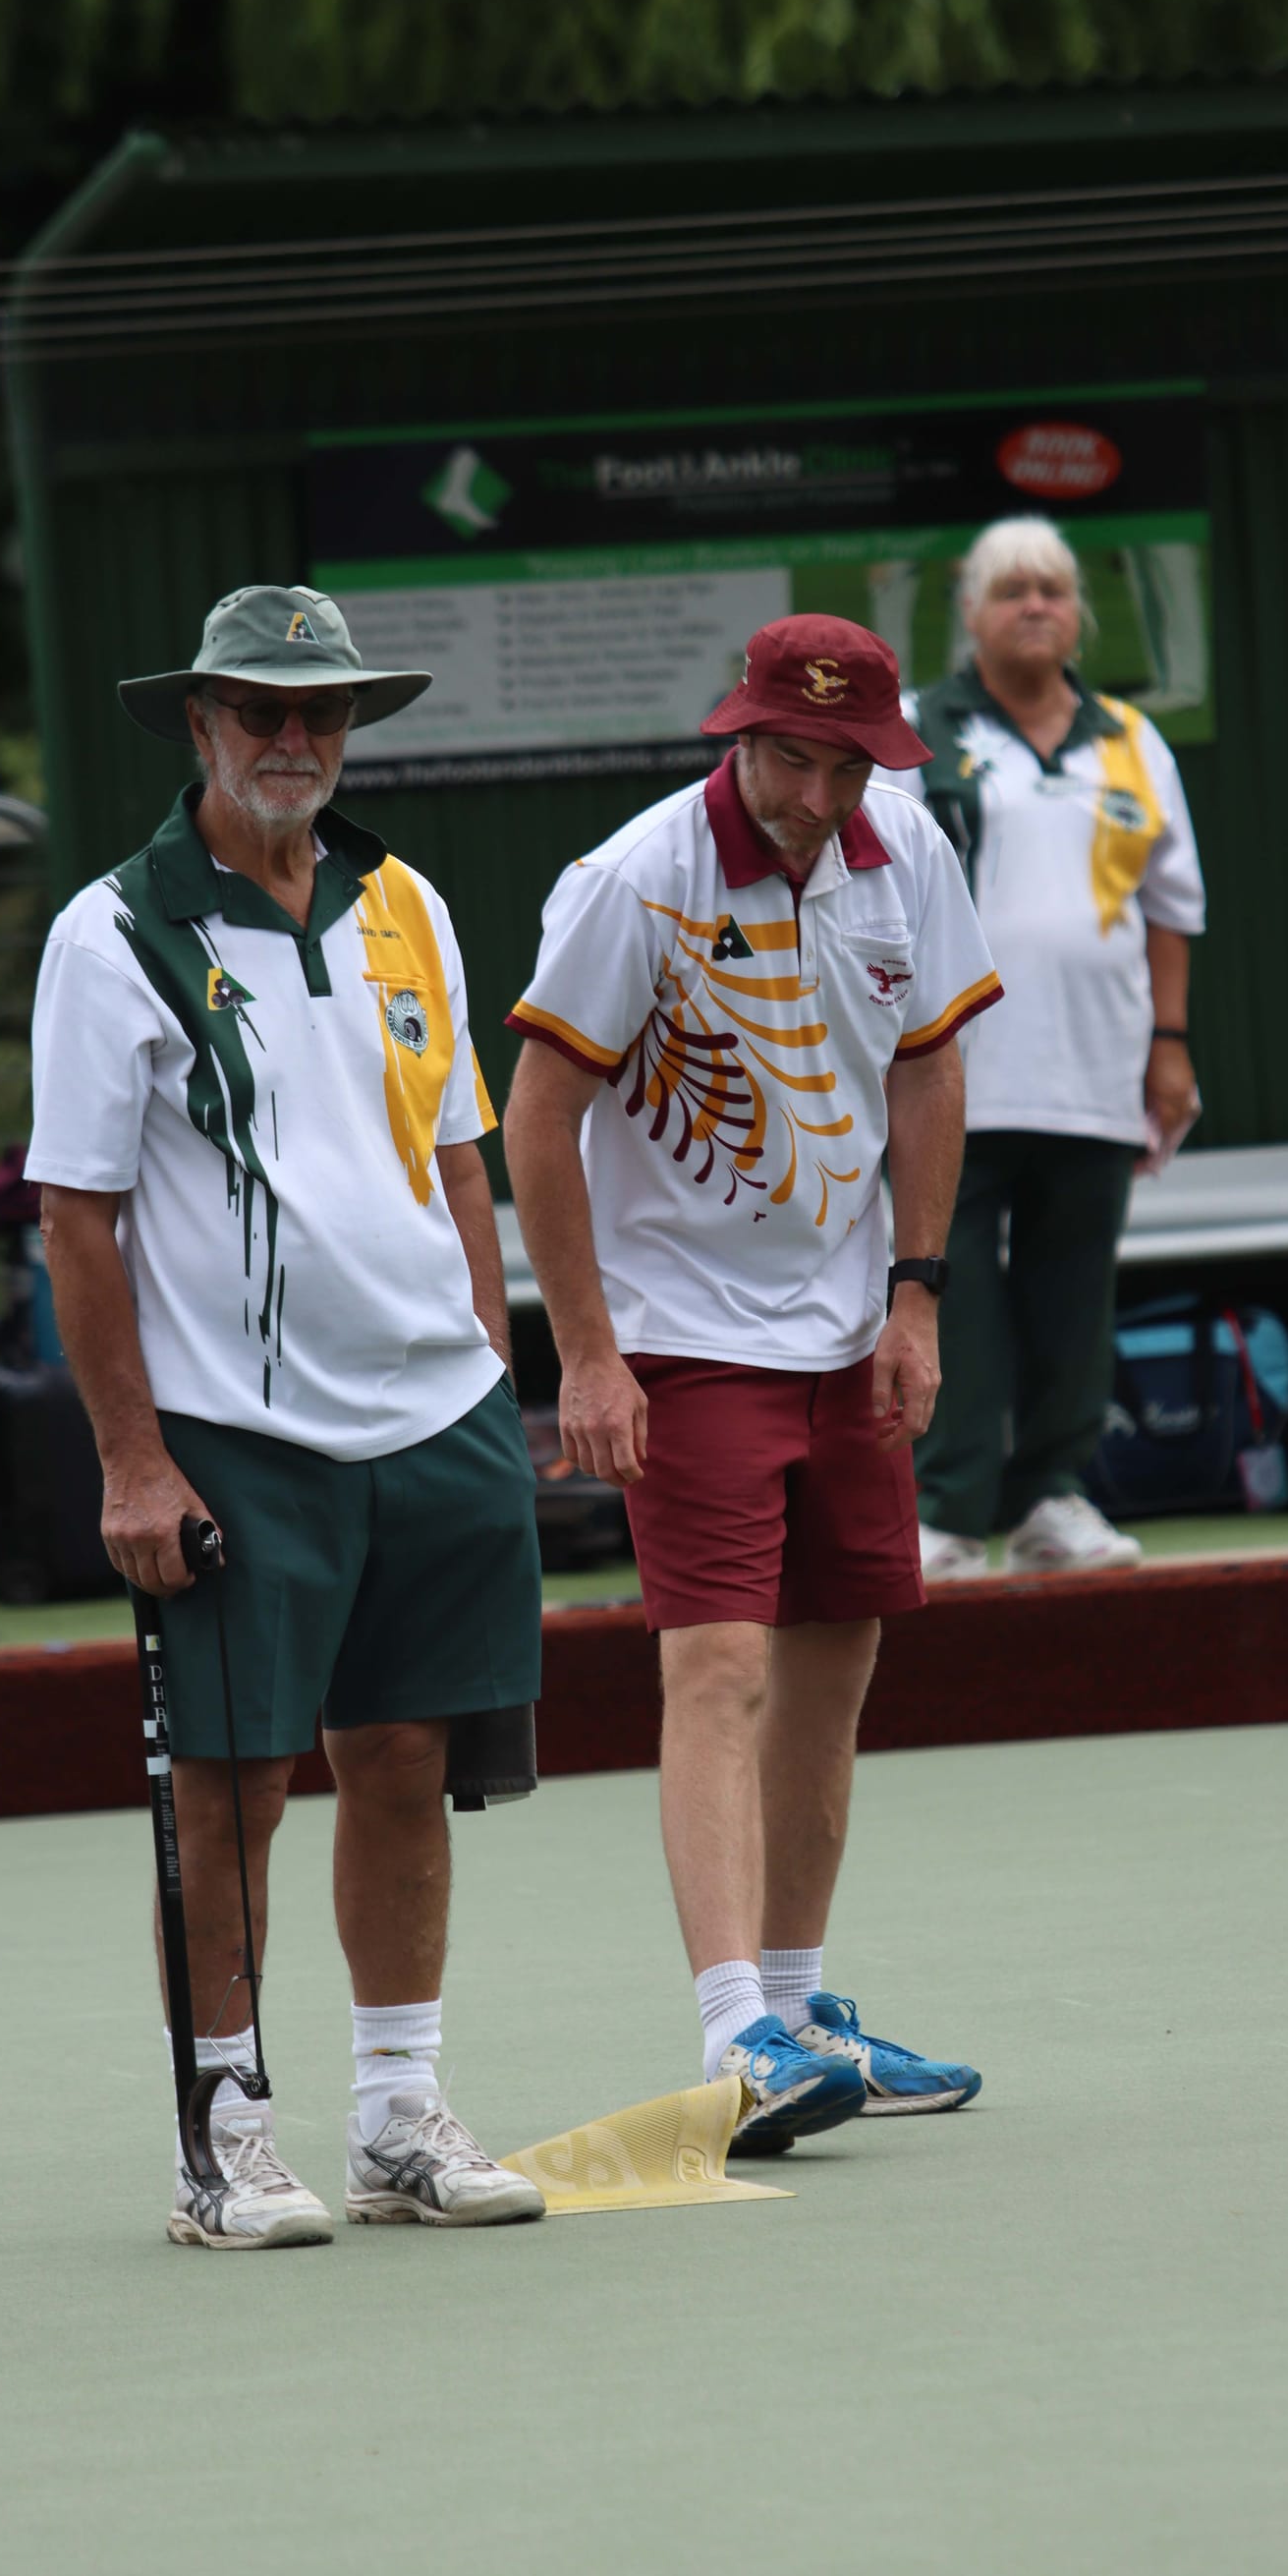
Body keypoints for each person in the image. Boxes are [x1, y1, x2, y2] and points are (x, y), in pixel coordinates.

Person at [27, 584, 545, 2247]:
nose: (293, 740)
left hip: (438, 1416)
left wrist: (495, 1363)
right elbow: (77, 1215)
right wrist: (130, 1457)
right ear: (198, 724)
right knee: (234, 1788)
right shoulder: (113, 933)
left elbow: (458, 1153)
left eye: (319, 714)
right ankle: (224, 2130)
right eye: (259, 711)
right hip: (240, 1431)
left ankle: (398, 2108)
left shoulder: (408, 902)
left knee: (406, 1754)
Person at [503, 613, 1001, 2155]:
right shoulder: (634, 880)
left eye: (848, 761)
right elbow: (537, 1120)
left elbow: (928, 1067)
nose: (816, 788)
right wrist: (585, 1349)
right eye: (792, 754)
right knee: (715, 1666)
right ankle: (738, 2032)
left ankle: (803, 2004)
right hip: (687, 1335)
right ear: (741, 735)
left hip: (853, 1328)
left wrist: (915, 1299)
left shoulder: (903, 847)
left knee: (837, 1658)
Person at [894, 516, 1205, 1579]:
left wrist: (1167, 1045)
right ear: (969, 615)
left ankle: (1052, 1499)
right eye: (1011, 589)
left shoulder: (1130, 736)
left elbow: (1171, 907)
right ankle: (946, 1508)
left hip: (1094, 1067)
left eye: (1054, 590)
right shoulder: (912, 730)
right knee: (952, 1298)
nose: (1035, 606)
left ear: (1079, 614)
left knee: (1074, 1298)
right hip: (951, 1078)